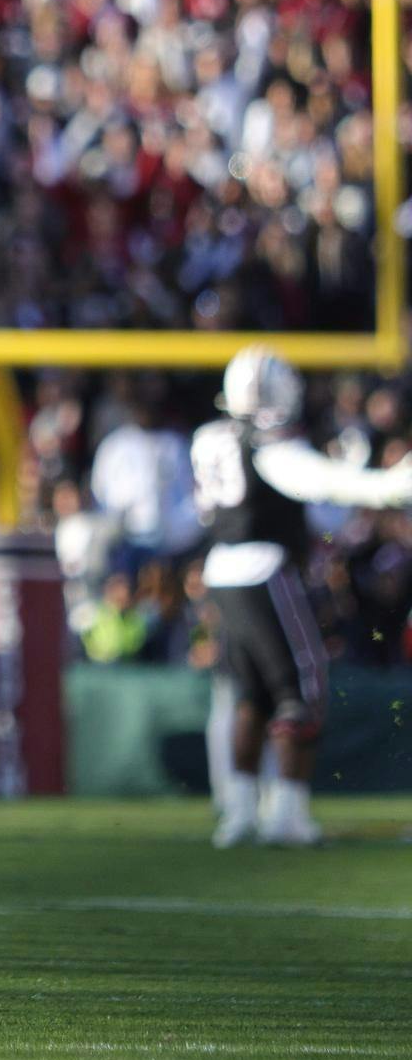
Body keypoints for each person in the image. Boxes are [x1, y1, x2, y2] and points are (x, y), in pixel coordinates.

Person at [190, 346, 412, 848]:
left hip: (222, 570)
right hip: (265, 569)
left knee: (250, 694)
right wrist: (390, 486)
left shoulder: (209, 437)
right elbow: (325, 483)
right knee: (301, 689)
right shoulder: (270, 448)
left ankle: (240, 811)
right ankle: (286, 813)